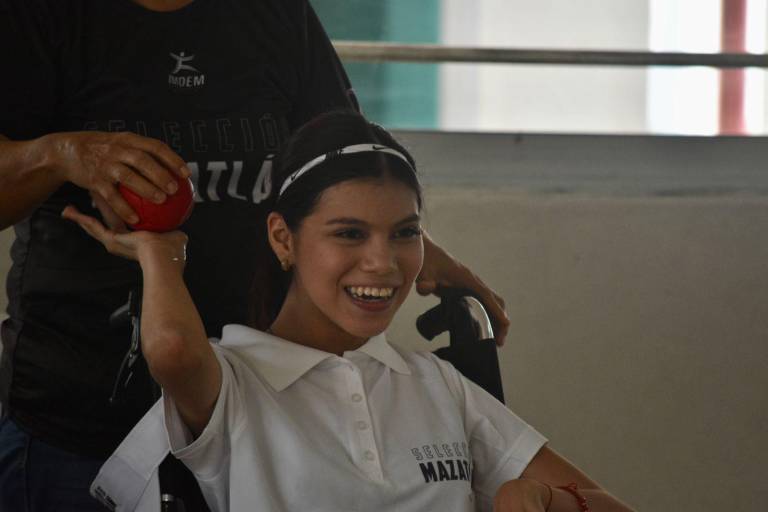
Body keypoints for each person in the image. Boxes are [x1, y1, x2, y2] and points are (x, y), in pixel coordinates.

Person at [0, 1, 508, 510]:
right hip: (74, 414)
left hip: (254, 407)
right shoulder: (39, 17)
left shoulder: (276, 13)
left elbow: (340, 168)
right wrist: (61, 154)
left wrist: (413, 246)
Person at [67, 110, 634, 512]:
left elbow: (611, 505)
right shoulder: (234, 380)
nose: (383, 263)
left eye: (404, 233)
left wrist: (541, 496)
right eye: (349, 234)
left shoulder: (438, 384)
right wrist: (162, 255)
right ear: (283, 239)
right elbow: (170, 350)